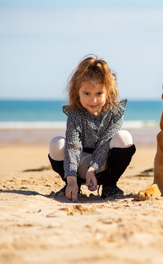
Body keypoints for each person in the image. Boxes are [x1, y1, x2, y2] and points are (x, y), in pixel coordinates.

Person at [48, 55, 136, 201]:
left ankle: (110, 185)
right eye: (86, 93)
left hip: (104, 165)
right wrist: (71, 180)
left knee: (124, 137)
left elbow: (105, 144)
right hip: (78, 166)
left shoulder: (115, 112)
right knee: (56, 143)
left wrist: (92, 170)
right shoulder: (75, 115)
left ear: (108, 92)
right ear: (77, 91)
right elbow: (72, 146)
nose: (93, 100)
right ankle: (71, 185)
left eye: (99, 93)